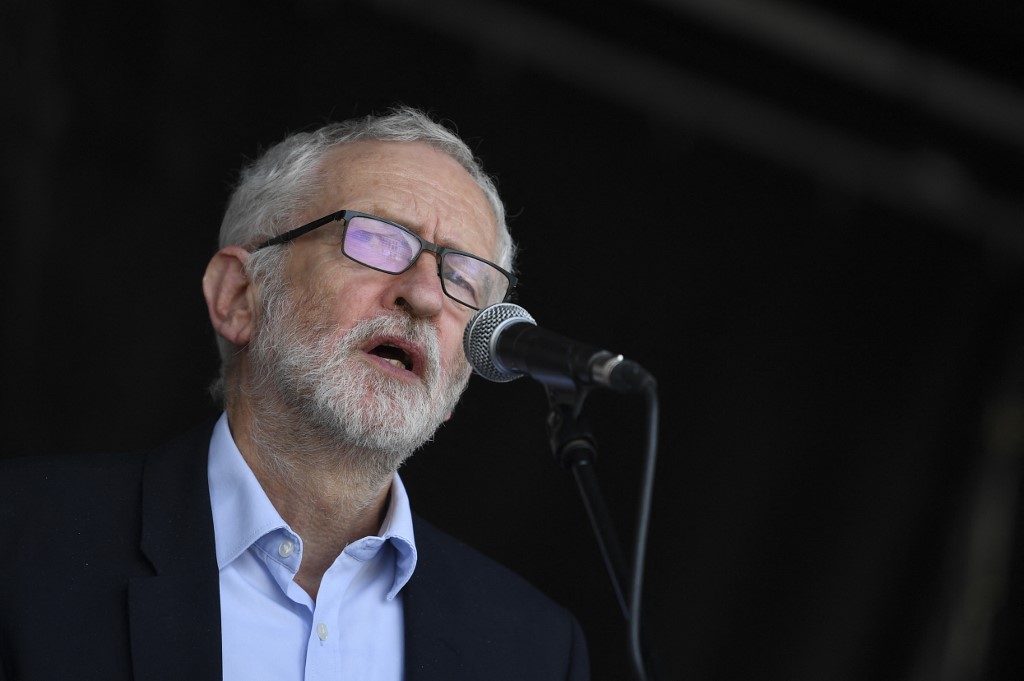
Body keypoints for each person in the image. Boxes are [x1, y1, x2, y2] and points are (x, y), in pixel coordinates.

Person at [0, 106, 590, 680]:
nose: (426, 296)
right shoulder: (26, 541)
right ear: (238, 296)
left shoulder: (533, 648)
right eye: (379, 240)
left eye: (462, 277)